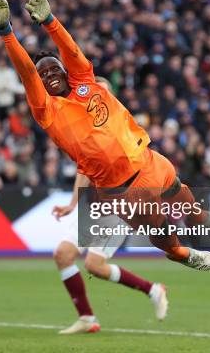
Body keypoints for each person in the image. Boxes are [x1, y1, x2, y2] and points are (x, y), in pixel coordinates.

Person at [0, 0, 210, 272]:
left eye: (53, 69)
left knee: (178, 190)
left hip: (147, 159)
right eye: (43, 75)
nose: (48, 75)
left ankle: (201, 220)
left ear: (66, 71)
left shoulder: (86, 82)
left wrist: (50, 21)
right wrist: (6, 30)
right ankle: (181, 254)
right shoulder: (47, 110)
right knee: (161, 229)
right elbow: (27, 72)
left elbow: (71, 51)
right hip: (123, 189)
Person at [50, 77, 168, 334]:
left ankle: (153, 290)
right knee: (63, 255)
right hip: (92, 208)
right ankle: (87, 318)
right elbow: (83, 170)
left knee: (94, 265)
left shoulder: (121, 131)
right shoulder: (83, 134)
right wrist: (72, 204)